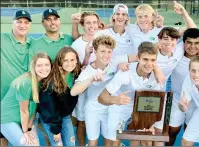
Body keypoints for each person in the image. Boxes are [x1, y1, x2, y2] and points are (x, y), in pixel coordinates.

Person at [98, 42, 163, 146]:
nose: (149, 64)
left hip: (141, 109)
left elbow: (154, 104)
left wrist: (150, 122)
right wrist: (115, 100)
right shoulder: (125, 73)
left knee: (147, 138)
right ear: (138, 58)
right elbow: (101, 98)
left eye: (153, 60)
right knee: (114, 142)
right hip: (120, 107)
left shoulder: (157, 77)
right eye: (145, 59)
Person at [70, 35, 130, 146]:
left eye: (109, 51)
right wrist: (92, 78)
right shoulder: (88, 70)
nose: (106, 55)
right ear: (95, 52)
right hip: (92, 110)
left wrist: (124, 63)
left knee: (109, 142)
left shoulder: (116, 61)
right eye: (102, 51)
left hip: (111, 110)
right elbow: (73, 91)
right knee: (92, 142)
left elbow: (139, 57)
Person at [0, 52, 51, 146]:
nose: (44, 68)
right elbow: (24, 111)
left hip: (21, 120)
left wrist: (29, 128)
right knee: (26, 144)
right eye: (39, 65)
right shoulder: (26, 83)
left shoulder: (42, 82)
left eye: (47, 65)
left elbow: (34, 108)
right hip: (5, 118)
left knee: (35, 144)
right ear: (33, 67)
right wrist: (25, 132)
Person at [0, 10, 33, 146]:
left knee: (26, 139)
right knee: (3, 140)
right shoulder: (3, 39)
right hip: (4, 101)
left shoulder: (33, 43)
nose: (22, 25)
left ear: (30, 25)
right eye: (19, 22)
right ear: (13, 23)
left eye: (26, 22)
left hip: (24, 103)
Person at [38, 46, 81, 146]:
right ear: (59, 62)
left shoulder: (76, 75)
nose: (69, 63)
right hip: (51, 119)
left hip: (64, 116)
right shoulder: (51, 81)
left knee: (70, 144)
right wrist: (55, 130)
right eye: (65, 60)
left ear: (76, 61)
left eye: (72, 60)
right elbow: (48, 108)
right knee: (58, 145)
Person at [70, 11, 102, 146]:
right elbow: (76, 71)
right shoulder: (76, 45)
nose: (92, 26)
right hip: (84, 89)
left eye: (94, 22)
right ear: (82, 25)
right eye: (88, 23)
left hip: (101, 88)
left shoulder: (105, 38)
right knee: (82, 122)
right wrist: (87, 59)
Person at [168, 28, 199, 146]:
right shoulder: (176, 56)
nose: (192, 46)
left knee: (189, 134)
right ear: (183, 43)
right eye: (189, 42)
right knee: (172, 131)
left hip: (196, 103)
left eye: (196, 43)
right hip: (176, 99)